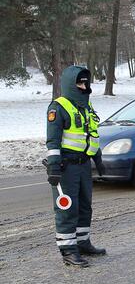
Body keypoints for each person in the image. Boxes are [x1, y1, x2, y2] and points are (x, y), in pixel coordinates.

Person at [45, 66, 107, 267]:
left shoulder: (86, 107)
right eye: (80, 83)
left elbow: (91, 135)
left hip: (83, 165)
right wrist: (54, 167)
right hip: (66, 167)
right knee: (67, 209)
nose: (84, 86)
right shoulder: (58, 107)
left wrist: (98, 159)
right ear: (70, 84)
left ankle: (82, 243)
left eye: (85, 83)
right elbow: (52, 141)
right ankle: (68, 251)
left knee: (84, 206)